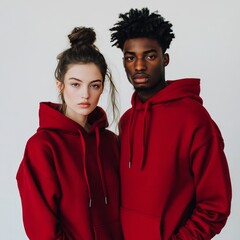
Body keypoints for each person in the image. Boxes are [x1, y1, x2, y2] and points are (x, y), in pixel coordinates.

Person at [110, 7, 232, 240]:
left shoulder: (194, 119)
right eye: (130, 57)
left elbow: (215, 206)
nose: (139, 66)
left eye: (150, 56)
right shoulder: (127, 121)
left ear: (165, 58)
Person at [16, 27, 123, 239]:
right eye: (76, 84)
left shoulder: (111, 143)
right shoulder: (42, 147)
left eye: (95, 85)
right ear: (60, 85)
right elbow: (42, 230)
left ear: (102, 88)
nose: (85, 94)